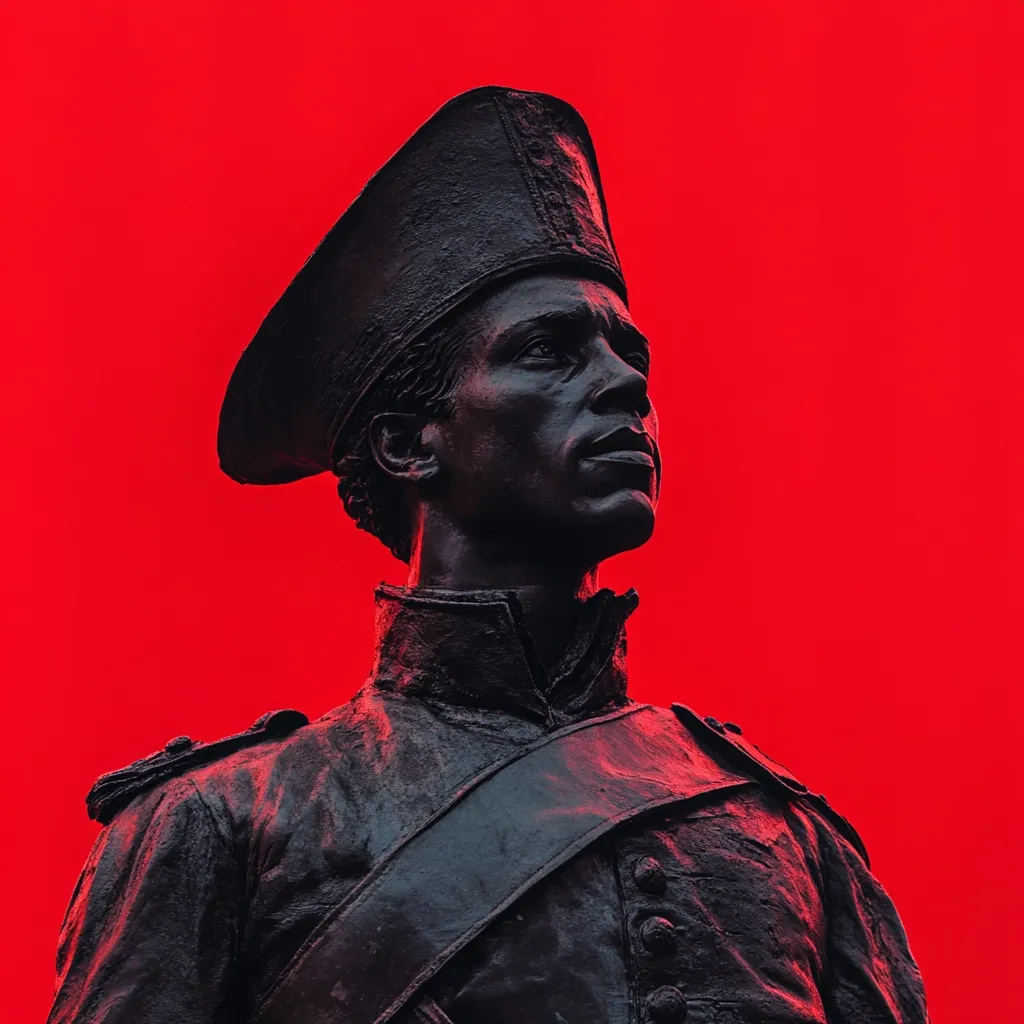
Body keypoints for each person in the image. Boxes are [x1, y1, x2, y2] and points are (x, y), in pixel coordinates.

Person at [48, 86, 929, 1024]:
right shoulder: (224, 828)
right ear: (408, 444)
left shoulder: (788, 839)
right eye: (550, 351)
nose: (624, 382)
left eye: (631, 353)